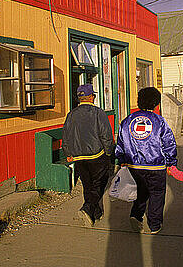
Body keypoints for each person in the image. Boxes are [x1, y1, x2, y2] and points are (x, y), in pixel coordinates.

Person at [115, 87, 177, 234]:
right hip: (155, 166)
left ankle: (136, 215)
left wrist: (121, 159)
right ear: (157, 104)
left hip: (134, 165)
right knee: (157, 193)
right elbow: (169, 143)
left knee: (140, 191)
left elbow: (120, 143)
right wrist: (171, 162)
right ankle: (155, 224)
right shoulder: (159, 121)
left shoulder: (127, 121)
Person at [63, 84, 114, 226]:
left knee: (88, 185)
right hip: (97, 155)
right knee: (99, 184)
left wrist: (68, 153)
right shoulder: (98, 113)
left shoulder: (71, 114)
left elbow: (66, 135)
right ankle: (87, 208)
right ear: (91, 97)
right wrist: (109, 151)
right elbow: (106, 135)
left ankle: (94, 215)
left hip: (78, 157)